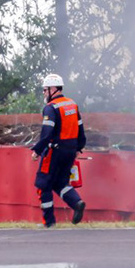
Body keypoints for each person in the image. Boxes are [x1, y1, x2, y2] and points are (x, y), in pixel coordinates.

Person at [30, 73, 87, 228]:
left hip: (54, 152)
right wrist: (79, 148)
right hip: (70, 151)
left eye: (44, 89)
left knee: (43, 185)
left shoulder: (51, 108)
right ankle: (77, 203)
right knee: (60, 182)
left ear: (52, 89)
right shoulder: (72, 105)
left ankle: (49, 223)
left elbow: (47, 133)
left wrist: (37, 150)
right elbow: (81, 130)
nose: (44, 93)